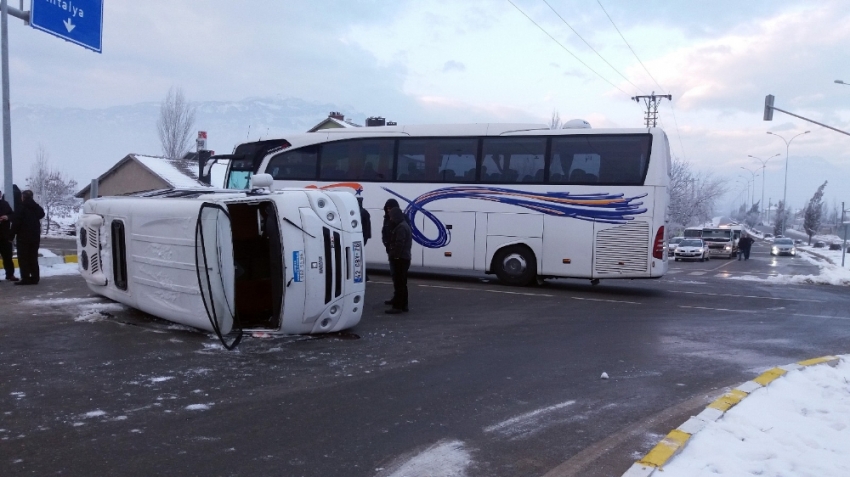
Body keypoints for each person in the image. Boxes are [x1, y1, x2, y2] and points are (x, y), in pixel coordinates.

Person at [13, 190, 45, 285]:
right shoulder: (36, 207)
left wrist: (11, 235)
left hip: (23, 238)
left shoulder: (21, 207)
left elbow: (16, 223)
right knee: (33, 257)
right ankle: (35, 277)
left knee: (23, 258)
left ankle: (26, 278)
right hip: (35, 237)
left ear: (23, 197)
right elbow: (42, 214)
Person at [385, 205, 412, 314]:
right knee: (403, 283)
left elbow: (399, 243)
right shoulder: (404, 225)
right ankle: (404, 304)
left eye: (391, 216)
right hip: (405, 258)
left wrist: (395, 256)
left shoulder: (400, 227)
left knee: (399, 283)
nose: (390, 218)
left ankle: (398, 306)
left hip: (400, 258)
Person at [0, 191, 18, 281]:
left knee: (7, 256)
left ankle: (10, 274)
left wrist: (7, 217)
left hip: (4, 235)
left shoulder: (5, 204)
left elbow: (12, 215)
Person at [357, 197, 372, 281]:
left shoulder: (359, 212)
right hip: (365, 236)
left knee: (358, 257)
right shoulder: (365, 212)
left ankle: (364, 275)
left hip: (360, 236)